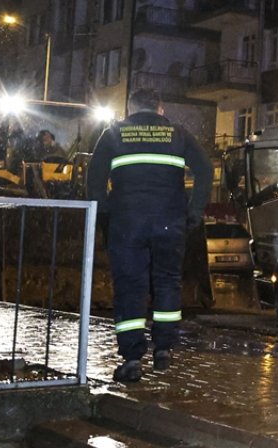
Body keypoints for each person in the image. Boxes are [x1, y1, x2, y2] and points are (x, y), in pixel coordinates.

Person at [87, 88, 212, 383]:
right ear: (160, 109)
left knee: (130, 285)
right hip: (170, 221)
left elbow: (93, 181)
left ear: (130, 108)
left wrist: (105, 215)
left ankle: (132, 358)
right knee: (167, 280)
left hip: (127, 222)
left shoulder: (113, 134)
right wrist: (194, 211)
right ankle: (164, 350)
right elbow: (205, 171)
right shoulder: (178, 134)